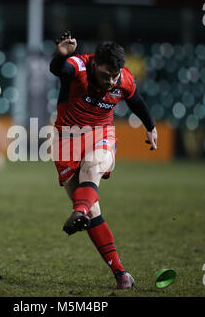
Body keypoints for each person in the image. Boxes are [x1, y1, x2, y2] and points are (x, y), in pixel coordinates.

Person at [49, 31, 158, 289]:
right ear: (95, 64)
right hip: (67, 138)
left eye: (115, 76)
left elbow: (137, 102)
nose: (111, 81)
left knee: (93, 167)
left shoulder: (125, 79)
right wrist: (60, 56)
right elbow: (59, 70)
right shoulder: (79, 66)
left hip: (101, 133)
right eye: (105, 75)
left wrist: (150, 127)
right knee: (93, 212)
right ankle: (121, 273)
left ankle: (79, 210)